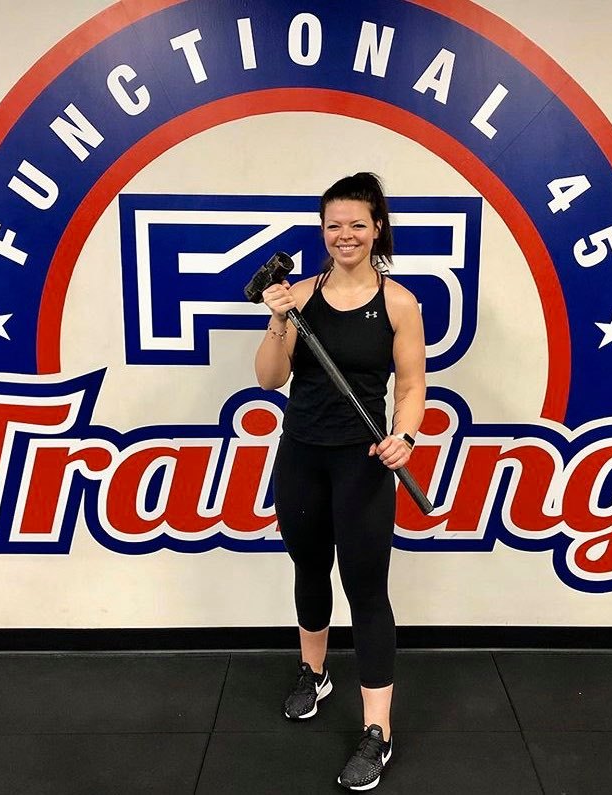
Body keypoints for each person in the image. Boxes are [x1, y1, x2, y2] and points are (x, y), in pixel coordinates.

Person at [254, 172, 426, 791]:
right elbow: (269, 379)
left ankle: (378, 731)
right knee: (308, 568)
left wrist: (405, 435)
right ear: (322, 231)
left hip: (364, 462)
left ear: (377, 228)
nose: (344, 234)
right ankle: (315, 673)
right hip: (302, 455)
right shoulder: (298, 295)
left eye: (357, 223)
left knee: (366, 588)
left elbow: (411, 386)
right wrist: (279, 320)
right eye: (333, 225)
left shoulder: (400, 303)